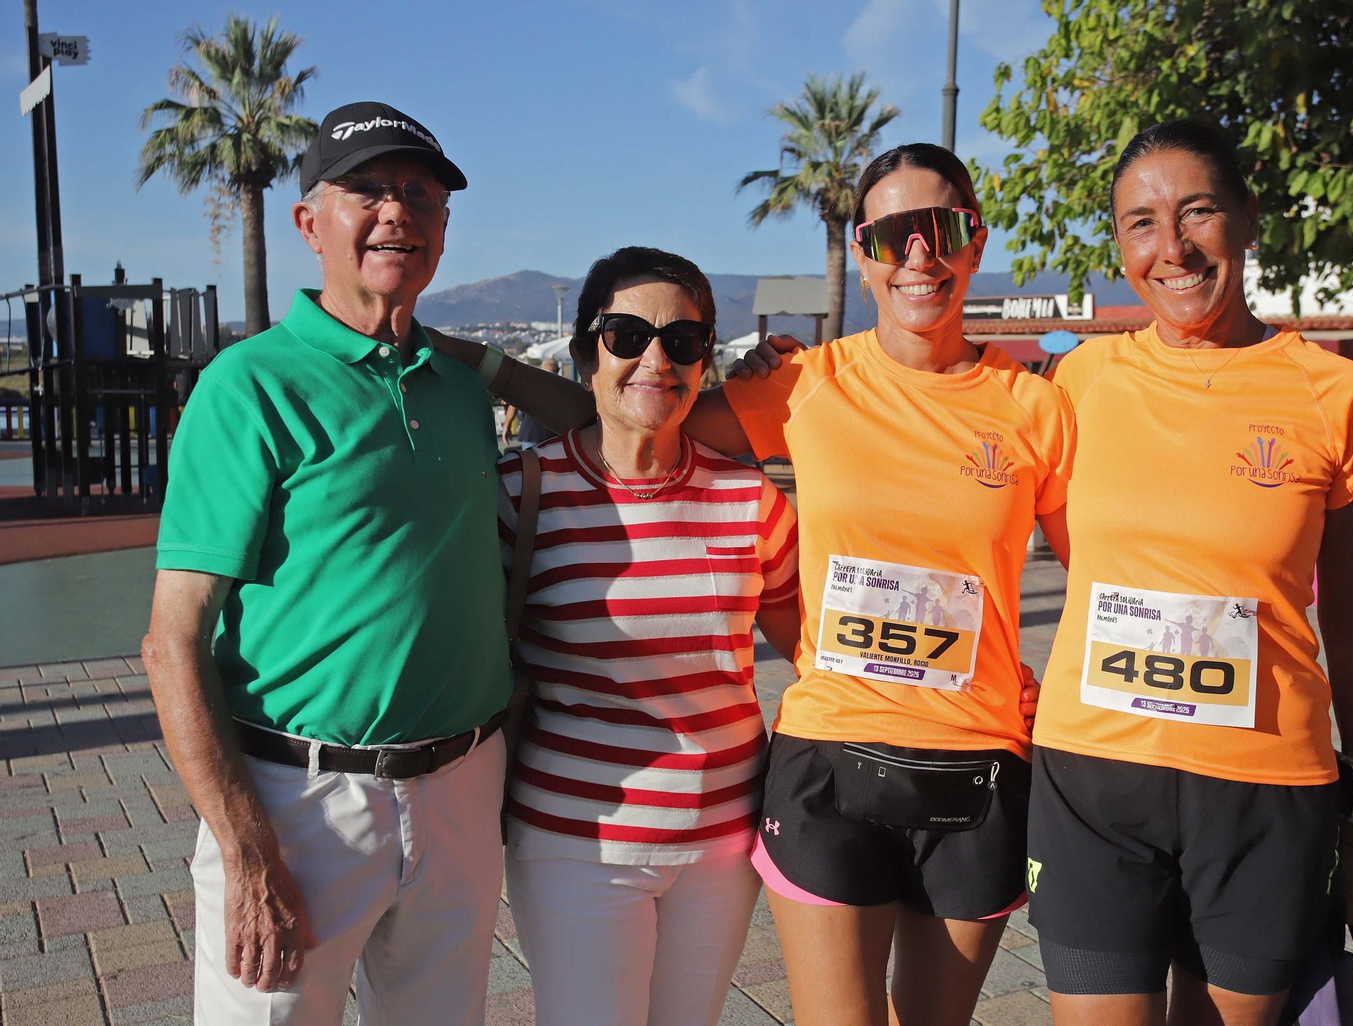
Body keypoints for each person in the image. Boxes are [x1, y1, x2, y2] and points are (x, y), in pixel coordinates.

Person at [432, 142, 1071, 1026]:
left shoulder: (1034, 407)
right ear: (863, 251)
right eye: (894, 234)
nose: (919, 254)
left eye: (943, 228)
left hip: (926, 772)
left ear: (974, 239)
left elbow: (1100, 564)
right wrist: (450, 356)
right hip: (752, 782)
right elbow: (628, 421)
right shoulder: (805, 383)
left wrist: (1060, 692)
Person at [142, 102, 513, 1024]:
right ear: (309, 224)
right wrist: (247, 852)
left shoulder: (462, 388)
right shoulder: (251, 384)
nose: (397, 212)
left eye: (419, 194)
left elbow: (599, 412)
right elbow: (170, 639)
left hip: (462, 790)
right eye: (369, 192)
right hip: (299, 801)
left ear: (444, 228)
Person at [1027, 120, 1353, 1026]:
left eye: (1198, 213)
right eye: (1141, 224)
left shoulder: (1336, 393)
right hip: (1093, 780)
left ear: (1246, 219)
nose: (1173, 248)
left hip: (1264, 789)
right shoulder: (1073, 384)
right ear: (1119, 246)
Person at [497, 246, 803, 1026]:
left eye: (684, 341)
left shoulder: (750, 500)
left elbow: (814, 650)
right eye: (626, 336)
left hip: (724, 842)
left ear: (706, 359)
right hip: (577, 841)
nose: (656, 360)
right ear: (583, 353)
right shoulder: (522, 495)